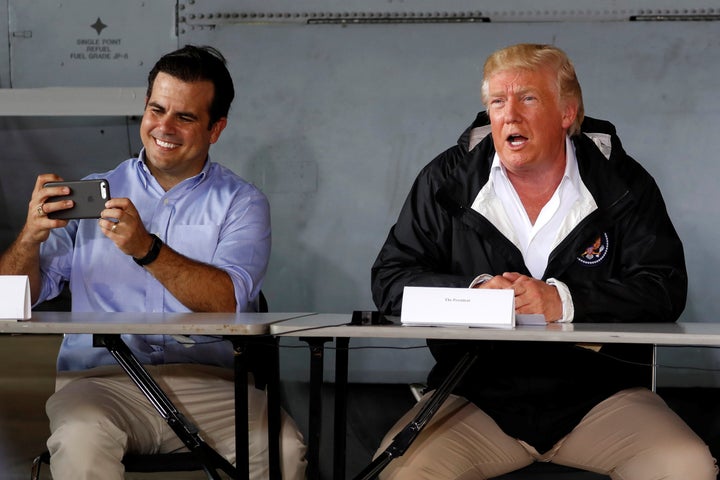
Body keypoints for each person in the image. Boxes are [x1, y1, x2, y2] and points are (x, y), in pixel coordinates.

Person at [371, 43, 717, 479]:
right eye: (498, 101)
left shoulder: (623, 182)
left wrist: (564, 302)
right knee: (402, 471)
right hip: (476, 396)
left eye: (528, 99)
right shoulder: (447, 179)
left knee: (686, 466)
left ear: (567, 113)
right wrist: (474, 293)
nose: (509, 115)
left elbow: (664, 287)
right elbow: (390, 280)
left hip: (599, 396)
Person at [0, 45, 306, 480]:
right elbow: (11, 301)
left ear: (216, 128)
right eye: (156, 109)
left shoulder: (242, 203)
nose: (164, 127)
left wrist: (147, 248)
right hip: (100, 383)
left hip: (211, 384)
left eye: (185, 117)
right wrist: (30, 237)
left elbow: (230, 300)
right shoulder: (91, 191)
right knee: (81, 440)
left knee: (282, 450)